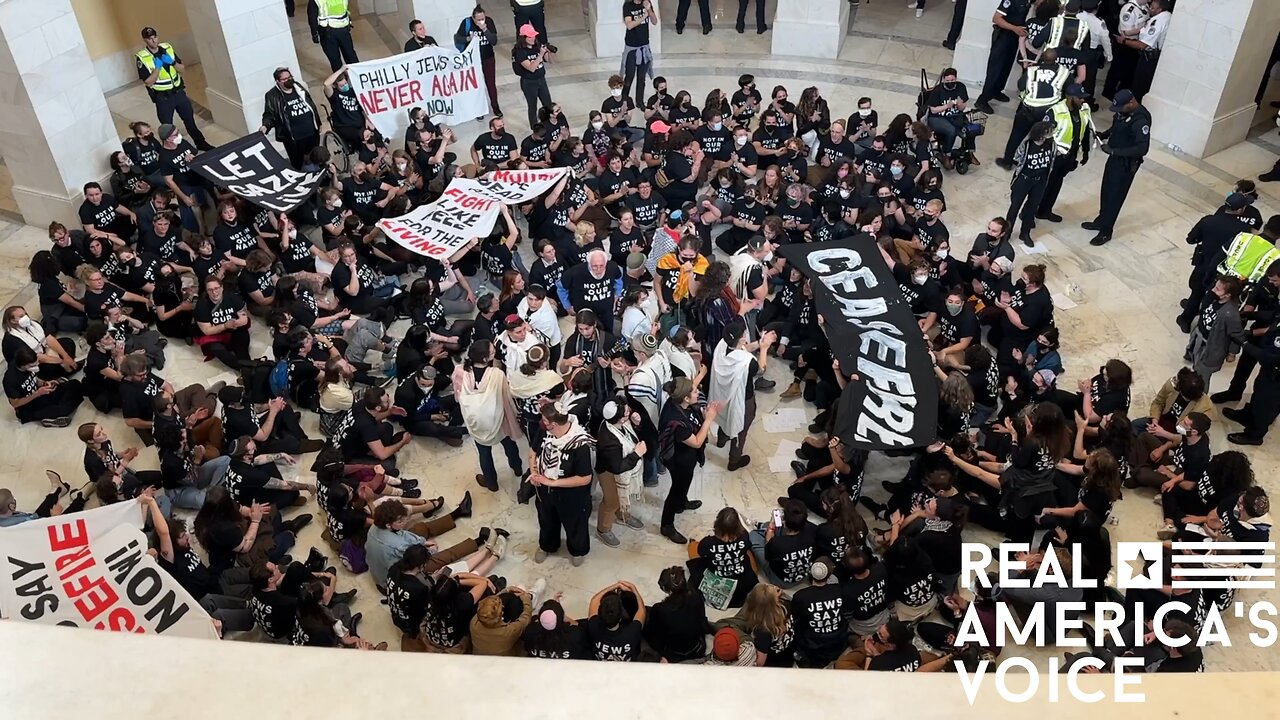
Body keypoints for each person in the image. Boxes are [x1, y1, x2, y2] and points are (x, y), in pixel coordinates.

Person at [364, 498, 486, 590]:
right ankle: (478, 541)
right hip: (393, 578)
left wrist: (421, 541)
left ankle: (458, 513)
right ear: (388, 525)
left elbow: (405, 536)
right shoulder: (399, 546)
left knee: (420, 528)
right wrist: (428, 549)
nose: (404, 522)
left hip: (384, 565)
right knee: (439, 558)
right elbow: (411, 552)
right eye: (400, 521)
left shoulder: (375, 526)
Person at [1083, 89, 1151, 246]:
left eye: (1121, 107)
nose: (1118, 111)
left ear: (1131, 102)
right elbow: (1116, 128)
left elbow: (1142, 148)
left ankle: (1106, 231)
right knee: (1106, 191)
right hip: (1114, 160)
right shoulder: (1123, 114)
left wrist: (1115, 151)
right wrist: (1104, 135)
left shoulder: (1140, 121)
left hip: (1126, 165)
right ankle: (1101, 220)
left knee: (1115, 197)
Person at [452, 341, 523, 492]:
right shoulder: (497, 374)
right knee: (509, 443)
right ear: (485, 359)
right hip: (497, 419)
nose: (495, 351)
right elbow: (506, 397)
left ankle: (491, 482)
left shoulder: (459, 371)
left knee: (484, 453)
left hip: (476, 422)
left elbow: (458, 397)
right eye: (492, 352)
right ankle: (517, 468)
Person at [530, 403, 595, 565]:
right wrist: (534, 472)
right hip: (545, 491)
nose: (542, 423)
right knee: (546, 519)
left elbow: (584, 478)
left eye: (545, 420)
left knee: (575, 523)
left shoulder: (579, 445)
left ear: (554, 424)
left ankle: (577, 550)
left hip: (571, 495)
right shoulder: (545, 432)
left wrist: (554, 482)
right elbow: (533, 453)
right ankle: (547, 545)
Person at [657, 377, 720, 544]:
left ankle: (681, 503)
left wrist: (703, 414)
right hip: (678, 460)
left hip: (687, 456)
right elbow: (697, 441)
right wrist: (709, 420)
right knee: (677, 488)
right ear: (685, 398)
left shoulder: (680, 404)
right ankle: (667, 525)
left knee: (685, 482)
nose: (697, 391)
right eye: (694, 391)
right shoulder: (676, 421)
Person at [709, 320, 776, 471]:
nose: (746, 335)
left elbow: (744, 347)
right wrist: (764, 348)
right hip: (742, 398)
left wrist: (759, 342)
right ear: (741, 339)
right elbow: (761, 369)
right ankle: (734, 460)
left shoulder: (722, 344)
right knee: (740, 427)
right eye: (745, 333)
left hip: (722, 393)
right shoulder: (747, 362)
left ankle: (721, 439)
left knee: (724, 415)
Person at [135, 27, 212, 151]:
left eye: (155, 37)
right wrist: (157, 68)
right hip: (163, 97)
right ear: (145, 40)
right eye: (149, 38)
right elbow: (148, 82)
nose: (153, 40)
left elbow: (182, 69)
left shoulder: (167, 48)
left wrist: (172, 62)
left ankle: (201, 143)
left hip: (178, 92)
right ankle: (177, 151)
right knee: (168, 128)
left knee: (189, 120)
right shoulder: (143, 57)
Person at [995, 51, 1070, 171]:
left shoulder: (1032, 71)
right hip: (1048, 111)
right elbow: (1069, 89)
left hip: (1028, 109)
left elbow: (1020, 86)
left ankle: (1008, 161)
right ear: (1056, 59)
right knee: (1044, 138)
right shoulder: (1063, 72)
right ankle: (1039, 164)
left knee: (1016, 135)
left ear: (1042, 59)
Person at [1036, 85, 1094, 223]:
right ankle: (1031, 211)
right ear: (1069, 97)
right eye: (1079, 98)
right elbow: (1042, 137)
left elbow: (1085, 131)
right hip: (1054, 156)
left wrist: (1086, 151)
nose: (1082, 101)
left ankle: (1046, 210)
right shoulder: (1055, 112)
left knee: (1056, 184)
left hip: (1069, 155)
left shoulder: (1084, 109)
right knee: (1043, 184)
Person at [595, 398, 647, 546]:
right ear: (620, 418)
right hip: (608, 472)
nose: (629, 412)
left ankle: (622, 514)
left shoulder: (619, 424)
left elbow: (630, 437)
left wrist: (636, 425)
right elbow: (617, 467)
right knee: (611, 501)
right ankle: (603, 529)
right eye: (626, 412)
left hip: (620, 468)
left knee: (622, 495)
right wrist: (637, 454)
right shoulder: (609, 440)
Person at [1005, 121, 1059, 247]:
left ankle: (1025, 233)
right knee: (1014, 207)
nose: (1052, 133)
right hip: (1024, 180)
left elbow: (1053, 157)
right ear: (1041, 134)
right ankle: (1006, 233)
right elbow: (1017, 157)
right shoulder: (1027, 145)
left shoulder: (1051, 144)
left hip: (1040, 180)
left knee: (1032, 207)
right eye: (1049, 131)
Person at [974, 0, 1033, 115]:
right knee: (995, 69)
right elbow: (996, 18)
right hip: (1003, 36)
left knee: (1006, 67)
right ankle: (982, 100)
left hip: (1014, 38)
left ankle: (996, 90)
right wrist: (1014, 28)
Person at [1187, 276, 1246, 388]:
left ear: (1228, 295)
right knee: (1196, 366)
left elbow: (1237, 336)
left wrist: (1232, 353)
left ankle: (1198, 398)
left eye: (1218, 289)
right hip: (1199, 336)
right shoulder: (1213, 297)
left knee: (1202, 377)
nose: (1213, 290)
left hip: (1210, 348)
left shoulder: (1230, 314)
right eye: (1215, 286)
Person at [644, 566, 712, 663]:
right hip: (697, 648)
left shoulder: (659, 609)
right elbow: (702, 621)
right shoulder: (697, 598)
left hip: (673, 654)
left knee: (647, 620)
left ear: (667, 590)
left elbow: (655, 636)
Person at [4, 346, 83, 427]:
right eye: (32, 365)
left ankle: (57, 407)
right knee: (64, 409)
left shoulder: (26, 365)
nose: (35, 367)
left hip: (40, 394)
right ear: (23, 366)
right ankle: (52, 415)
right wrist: (37, 394)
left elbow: (34, 378)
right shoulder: (10, 379)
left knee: (75, 384)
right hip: (28, 407)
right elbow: (15, 404)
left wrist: (45, 383)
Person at [260, 67, 321, 169]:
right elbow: (269, 114)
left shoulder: (298, 87)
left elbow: (311, 105)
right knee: (298, 163)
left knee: (315, 157)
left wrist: (318, 123)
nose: (288, 80)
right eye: (284, 79)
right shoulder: (272, 96)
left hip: (311, 133)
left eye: (290, 77)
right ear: (278, 81)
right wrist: (265, 126)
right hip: (294, 138)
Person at [790, 558, 846, 668]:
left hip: (812, 645)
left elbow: (795, 617)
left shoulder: (801, 596)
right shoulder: (839, 590)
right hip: (837, 641)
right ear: (829, 576)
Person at [750, 499, 818, 588]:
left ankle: (763, 527)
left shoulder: (776, 543)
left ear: (785, 521)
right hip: (803, 575)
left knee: (754, 535)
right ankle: (764, 527)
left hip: (781, 580)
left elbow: (768, 553)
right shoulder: (813, 530)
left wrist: (771, 526)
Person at [1, 306, 78, 381]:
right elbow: (36, 357)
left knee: (68, 343)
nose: (26, 317)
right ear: (12, 321)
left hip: (44, 350)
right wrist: (62, 361)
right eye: (21, 316)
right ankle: (62, 372)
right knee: (51, 368)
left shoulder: (32, 324)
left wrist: (66, 356)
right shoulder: (13, 339)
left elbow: (48, 338)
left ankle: (67, 367)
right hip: (32, 363)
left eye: (25, 314)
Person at [454, 7, 501, 117]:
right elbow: (458, 38)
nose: (481, 21)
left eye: (482, 18)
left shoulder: (489, 22)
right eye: (478, 19)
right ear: (473, 18)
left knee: (491, 83)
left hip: (488, 57)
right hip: (473, 60)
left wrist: (485, 29)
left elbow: (494, 41)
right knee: (476, 85)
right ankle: (479, 109)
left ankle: (495, 106)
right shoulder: (466, 23)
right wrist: (468, 39)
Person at [587, 581, 646, 660]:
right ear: (621, 617)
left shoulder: (593, 626)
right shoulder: (632, 632)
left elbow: (594, 600)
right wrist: (633, 588)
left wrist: (615, 586)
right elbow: (642, 610)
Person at [1125, 0, 1171, 101]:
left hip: (1149, 58)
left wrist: (1124, 41)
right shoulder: (1164, 16)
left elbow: (1143, 45)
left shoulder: (1158, 21)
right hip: (1149, 56)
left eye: (1153, 8)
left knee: (1139, 86)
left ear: (1160, 9)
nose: (1150, 9)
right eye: (1150, 6)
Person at [512, 23, 556, 129]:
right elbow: (531, 68)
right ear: (523, 37)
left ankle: (549, 123)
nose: (533, 38)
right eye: (530, 36)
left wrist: (549, 53)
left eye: (534, 36)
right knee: (532, 106)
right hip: (529, 82)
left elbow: (551, 61)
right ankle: (535, 127)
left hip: (541, 79)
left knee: (548, 103)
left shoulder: (537, 46)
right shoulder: (520, 52)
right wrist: (540, 55)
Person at [621, 0, 657, 108]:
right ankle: (624, 100)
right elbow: (629, 25)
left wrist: (649, 9)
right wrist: (643, 16)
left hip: (644, 46)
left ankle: (640, 102)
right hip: (632, 47)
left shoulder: (646, 3)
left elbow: (654, 21)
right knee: (629, 76)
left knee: (641, 77)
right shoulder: (628, 5)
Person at [309, 0, 358, 71]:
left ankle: (340, 80)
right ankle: (357, 75)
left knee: (335, 60)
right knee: (350, 55)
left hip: (327, 32)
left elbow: (312, 17)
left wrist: (314, 34)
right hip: (343, 28)